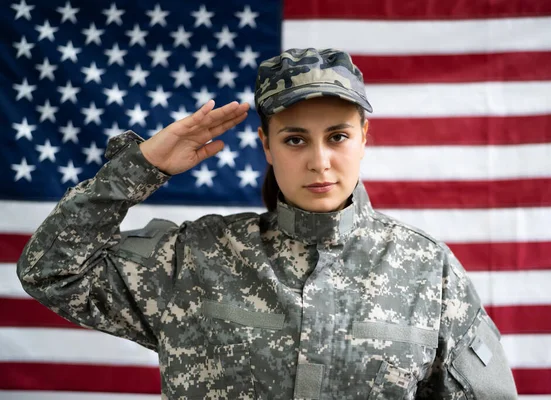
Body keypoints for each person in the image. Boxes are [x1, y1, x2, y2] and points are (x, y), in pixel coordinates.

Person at [17, 48, 518, 399]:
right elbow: (53, 270)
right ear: (266, 146)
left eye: (338, 136)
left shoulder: (429, 273)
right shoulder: (196, 258)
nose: (320, 162)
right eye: (296, 139)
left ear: (364, 138)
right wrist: (140, 167)